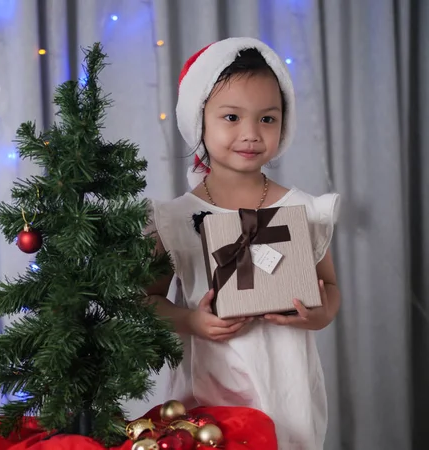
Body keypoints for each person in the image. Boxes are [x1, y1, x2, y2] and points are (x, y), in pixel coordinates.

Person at [146, 37, 341, 449]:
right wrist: (192, 321)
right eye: (232, 117)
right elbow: (146, 300)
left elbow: (331, 289)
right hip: (208, 396)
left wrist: (318, 315)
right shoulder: (176, 219)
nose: (251, 134)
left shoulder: (302, 208)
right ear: (200, 121)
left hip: (289, 396)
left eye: (267, 119)